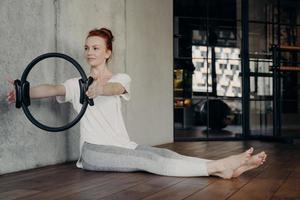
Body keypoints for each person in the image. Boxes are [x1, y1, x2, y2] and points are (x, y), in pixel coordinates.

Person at [7, 28, 267, 179]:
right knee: (148, 161)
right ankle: (217, 166)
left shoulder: (120, 79)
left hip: (124, 145)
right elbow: (51, 88)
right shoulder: (77, 84)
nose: (89, 52)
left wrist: (100, 88)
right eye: (87, 48)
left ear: (108, 52)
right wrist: (23, 91)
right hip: (94, 151)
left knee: (163, 153)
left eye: (96, 48)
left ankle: (220, 172)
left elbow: (114, 88)